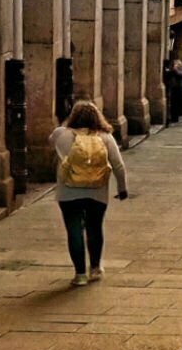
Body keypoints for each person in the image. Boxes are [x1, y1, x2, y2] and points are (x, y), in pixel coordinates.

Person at [50, 102, 127, 287]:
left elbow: (50, 139)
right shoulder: (105, 137)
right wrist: (122, 189)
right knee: (94, 228)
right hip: (97, 191)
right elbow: (118, 165)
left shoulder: (61, 134)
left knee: (74, 231)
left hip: (68, 191)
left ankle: (80, 274)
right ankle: (95, 267)